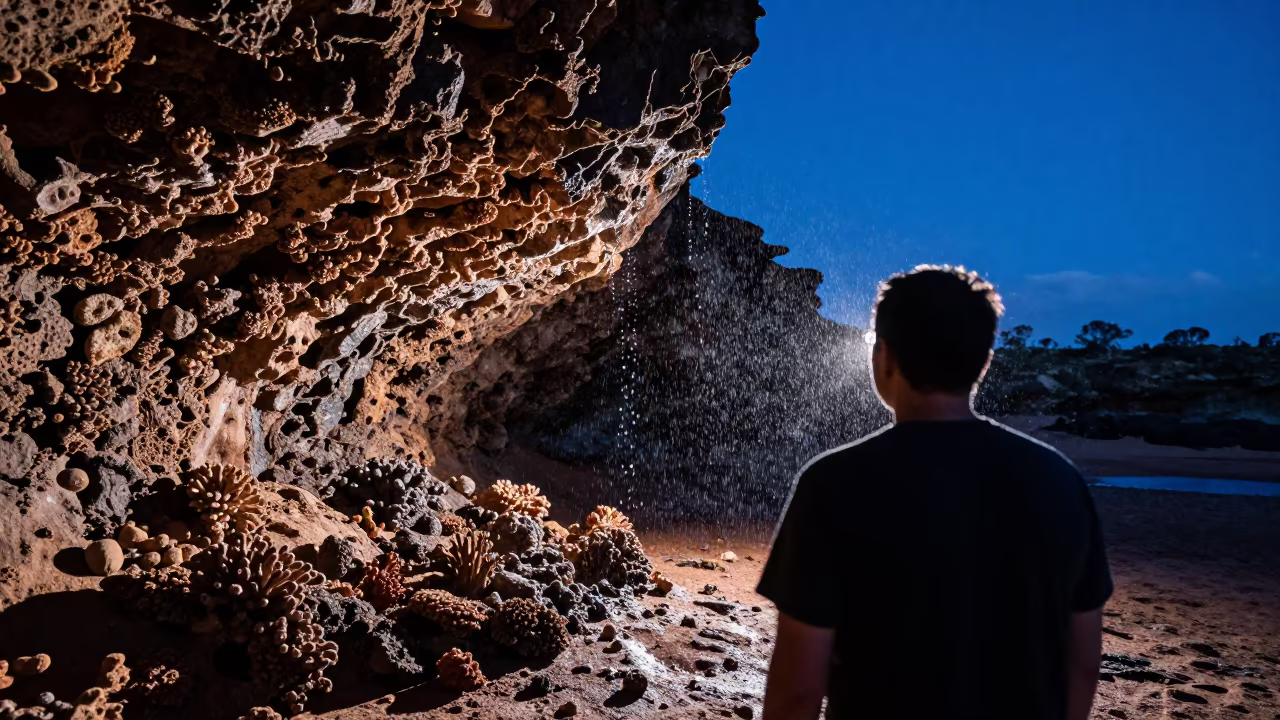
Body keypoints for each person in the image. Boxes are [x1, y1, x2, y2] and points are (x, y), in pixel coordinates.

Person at [757, 265, 1112, 720]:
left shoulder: (834, 483)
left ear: (883, 355)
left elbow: (798, 688)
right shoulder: (1060, 481)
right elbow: (1081, 664)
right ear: (983, 361)